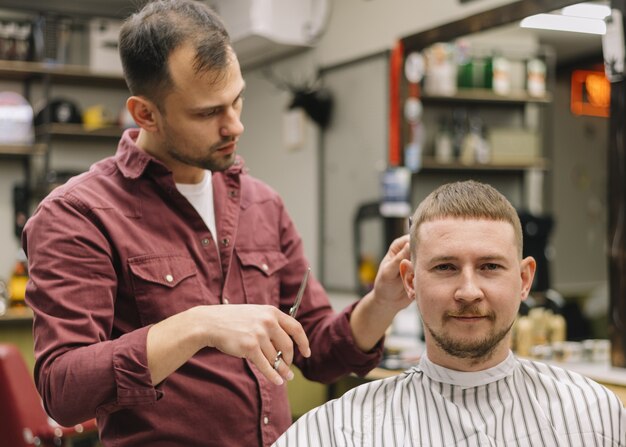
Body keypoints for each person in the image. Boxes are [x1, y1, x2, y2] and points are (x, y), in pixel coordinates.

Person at [21, 1, 411, 446]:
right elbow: (64, 390)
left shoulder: (261, 203)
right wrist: (198, 325)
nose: (235, 125)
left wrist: (382, 301)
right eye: (208, 113)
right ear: (145, 113)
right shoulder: (78, 215)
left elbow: (318, 351)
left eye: (237, 99)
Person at [274, 180, 626, 447]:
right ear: (410, 280)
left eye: (489, 266)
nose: (469, 291)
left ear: (524, 280)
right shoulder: (342, 432)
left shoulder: (592, 416)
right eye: (445, 267)